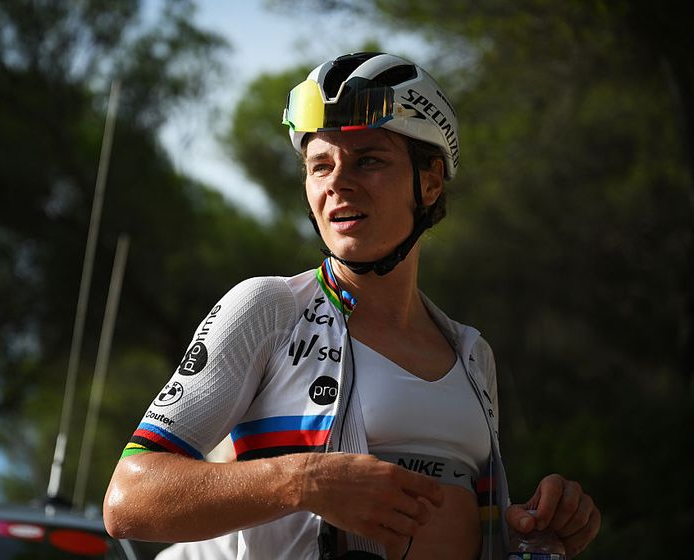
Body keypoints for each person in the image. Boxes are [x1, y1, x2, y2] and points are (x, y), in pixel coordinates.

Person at [104, 52, 601, 559]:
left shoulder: (473, 354)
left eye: (369, 160)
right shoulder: (270, 309)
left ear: (430, 182)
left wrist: (533, 528)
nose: (338, 183)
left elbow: (453, 524)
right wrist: (304, 481)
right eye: (320, 165)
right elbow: (128, 500)